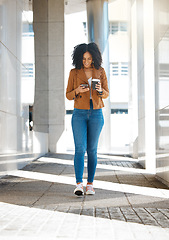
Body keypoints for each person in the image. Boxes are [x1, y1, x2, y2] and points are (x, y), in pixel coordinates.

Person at [66, 42, 109, 196]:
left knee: (92, 150)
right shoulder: (74, 72)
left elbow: (107, 93)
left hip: (96, 114)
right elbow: (68, 95)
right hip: (79, 114)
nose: (86, 62)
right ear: (79, 58)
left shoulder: (100, 71)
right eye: (83, 59)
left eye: (89, 59)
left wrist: (100, 90)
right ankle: (79, 184)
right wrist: (77, 90)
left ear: (94, 58)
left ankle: (90, 184)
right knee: (79, 149)